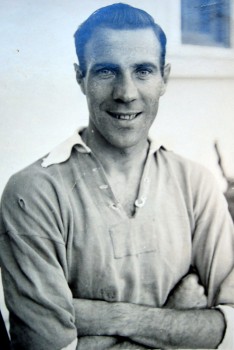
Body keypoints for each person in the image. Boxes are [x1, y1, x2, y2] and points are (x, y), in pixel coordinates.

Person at [0, 3, 234, 349]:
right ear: (81, 77)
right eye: (107, 71)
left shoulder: (195, 184)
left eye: (143, 71)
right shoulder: (33, 192)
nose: (126, 93)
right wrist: (177, 316)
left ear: (164, 78)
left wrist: (110, 319)